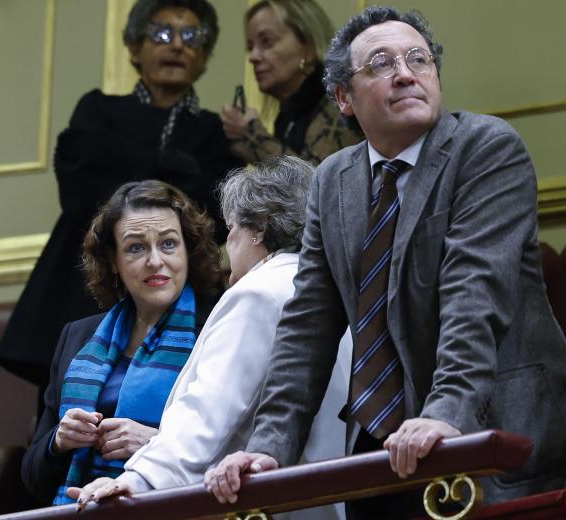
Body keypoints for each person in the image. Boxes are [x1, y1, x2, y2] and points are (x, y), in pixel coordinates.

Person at [205, 6, 566, 519]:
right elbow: (306, 327)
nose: (404, 73)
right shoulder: (332, 180)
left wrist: (445, 415)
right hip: (376, 452)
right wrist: (269, 447)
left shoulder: (485, 148)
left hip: (491, 441)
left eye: (418, 59)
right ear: (344, 98)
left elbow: (475, 294)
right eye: (380, 63)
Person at [66, 157, 351, 520]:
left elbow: (208, 409)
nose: (228, 243)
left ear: (259, 229)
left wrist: (139, 480)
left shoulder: (260, 292)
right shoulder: (325, 286)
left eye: (231, 229)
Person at [0, 0, 242, 390]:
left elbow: (211, 213)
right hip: (80, 294)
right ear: (133, 47)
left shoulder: (214, 131)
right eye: (162, 34)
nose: (177, 45)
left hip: (175, 305)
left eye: (191, 37)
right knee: (65, 425)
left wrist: (124, 161)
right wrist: (171, 166)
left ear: (206, 56)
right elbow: (81, 196)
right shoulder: (98, 109)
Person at [20, 180, 221, 506]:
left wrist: (155, 443)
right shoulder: (77, 337)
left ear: (189, 250)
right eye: (136, 248)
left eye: (169, 244)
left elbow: (242, 452)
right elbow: (32, 477)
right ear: (113, 260)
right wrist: (58, 441)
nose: (155, 261)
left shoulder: (216, 331)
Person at [220, 0, 362, 165]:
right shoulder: (290, 114)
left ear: (308, 48)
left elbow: (317, 185)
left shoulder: (339, 102)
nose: (253, 57)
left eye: (267, 42)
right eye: (250, 47)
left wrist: (252, 136)